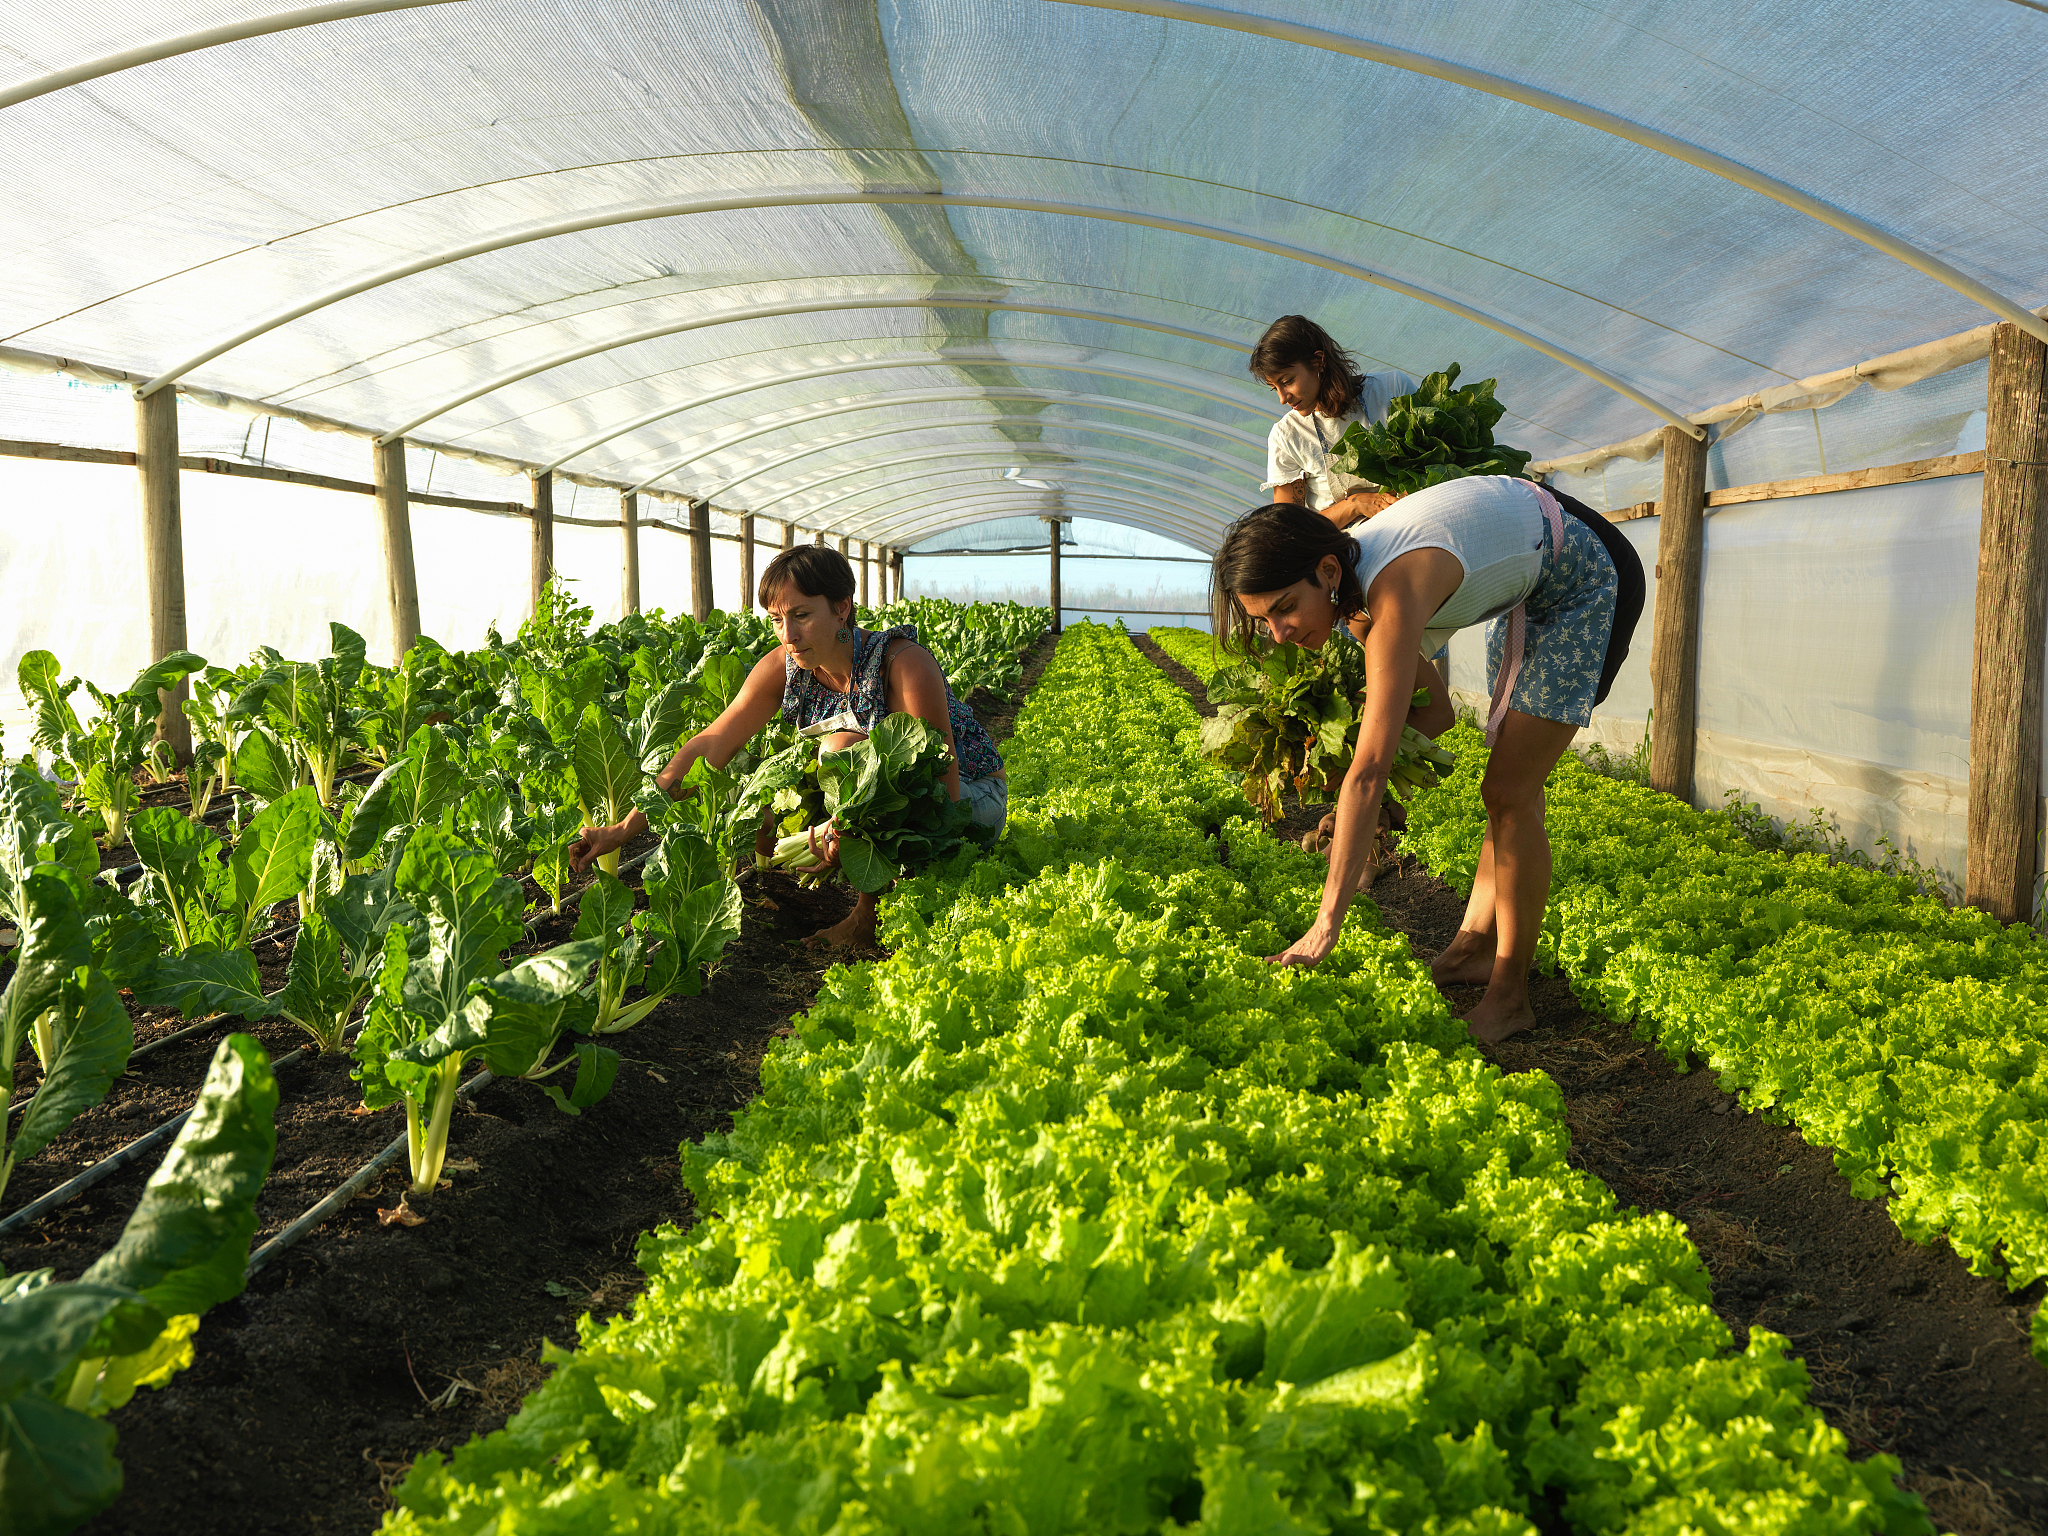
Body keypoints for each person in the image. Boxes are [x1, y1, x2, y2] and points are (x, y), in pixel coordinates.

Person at [1211, 475, 1646, 1044]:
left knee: (1509, 791)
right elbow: (1436, 713)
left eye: (1286, 608)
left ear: (1327, 571)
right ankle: (1474, 948)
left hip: (1586, 577)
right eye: (1264, 620)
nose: (1280, 632)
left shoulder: (1391, 593)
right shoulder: (1355, 601)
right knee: (1509, 786)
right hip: (1532, 578)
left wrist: (1324, 928)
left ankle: (1510, 996)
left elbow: (1369, 771)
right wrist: (1357, 783)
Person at [567, 544, 1006, 950]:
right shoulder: (787, 666)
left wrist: (849, 827)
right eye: (777, 620)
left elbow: (943, 793)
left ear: (842, 608)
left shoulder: (902, 663)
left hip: (970, 801)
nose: (788, 635)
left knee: (841, 749)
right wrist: (622, 830)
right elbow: (710, 745)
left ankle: (865, 917)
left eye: (801, 615)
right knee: (782, 784)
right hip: (893, 805)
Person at [1253, 314, 1417, 535]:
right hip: (1345, 545)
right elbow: (1290, 530)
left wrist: (1407, 499)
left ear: (1318, 361)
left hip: (1413, 520)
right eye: (1275, 388)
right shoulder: (1287, 435)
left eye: (1287, 381)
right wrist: (1354, 505)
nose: (1283, 398)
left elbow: (1435, 462)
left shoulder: (1392, 390)